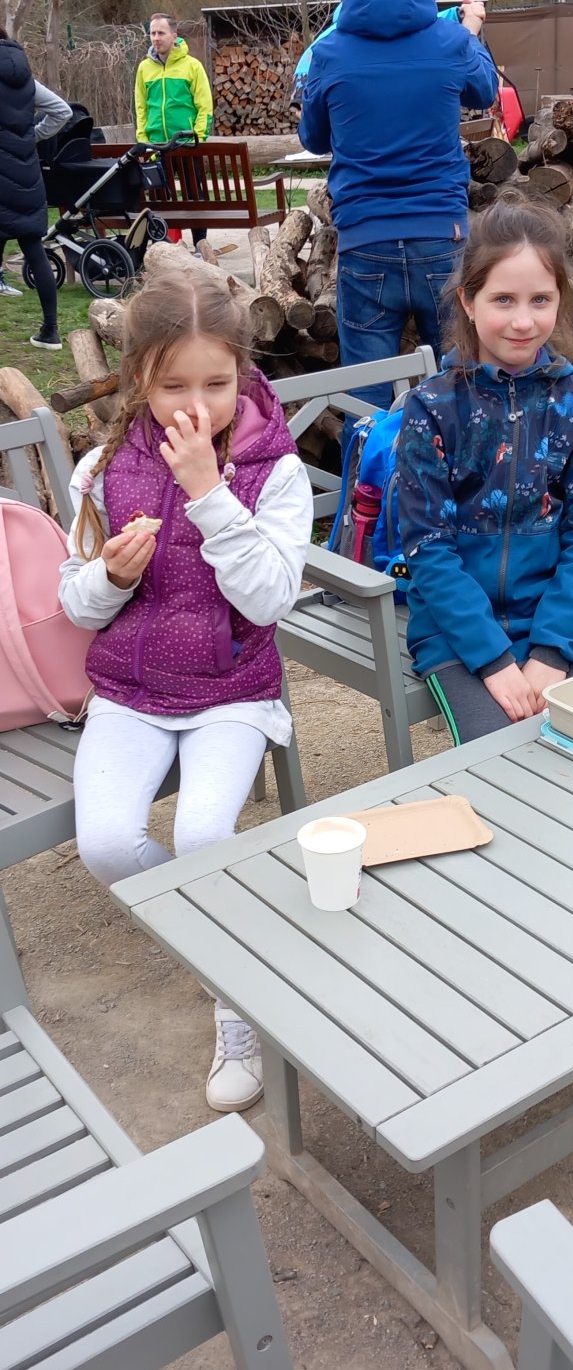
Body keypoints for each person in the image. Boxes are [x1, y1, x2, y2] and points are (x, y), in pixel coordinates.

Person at [58, 263, 313, 1112]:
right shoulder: (100, 471)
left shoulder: (274, 471)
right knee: (105, 845)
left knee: (205, 835)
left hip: (232, 690)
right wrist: (108, 578)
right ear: (139, 377)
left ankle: (235, 1003)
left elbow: (269, 599)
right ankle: (228, 947)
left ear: (243, 373)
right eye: (173, 387)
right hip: (130, 690)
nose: (195, 408)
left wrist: (209, 494)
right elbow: (75, 603)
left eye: (216, 384)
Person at [396, 201, 573, 744]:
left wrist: (551, 651)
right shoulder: (431, 408)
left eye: (540, 299)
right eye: (503, 300)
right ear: (468, 301)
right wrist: (493, 660)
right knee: (500, 756)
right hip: (455, 635)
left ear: (560, 299)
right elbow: (428, 547)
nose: (523, 321)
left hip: (556, 625)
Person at [298, 0, 499, 408]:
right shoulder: (452, 42)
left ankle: (364, 462)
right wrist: (472, 28)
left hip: (365, 240)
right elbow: (485, 90)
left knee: (364, 401)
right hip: (441, 237)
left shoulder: (329, 51)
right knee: (460, 391)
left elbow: (313, 137)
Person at [0, 27, 71, 341]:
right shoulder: (23, 76)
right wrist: (31, 137)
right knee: (33, 249)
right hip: (26, 177)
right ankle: (50, 331)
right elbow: (62, 111)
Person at [134, 13, 213, 251]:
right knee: (159, 199)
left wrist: (198, 137)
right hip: (156, 145)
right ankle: (164, 247)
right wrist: (143, 139)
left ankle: (200, 244)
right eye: (152, 33)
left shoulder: (192, 66)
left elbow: (204, 105)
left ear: (174, 35)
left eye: (161, 33)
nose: (156, 38)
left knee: (195, 196)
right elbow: (141, 107)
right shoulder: (144, 68)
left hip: (186, 144)